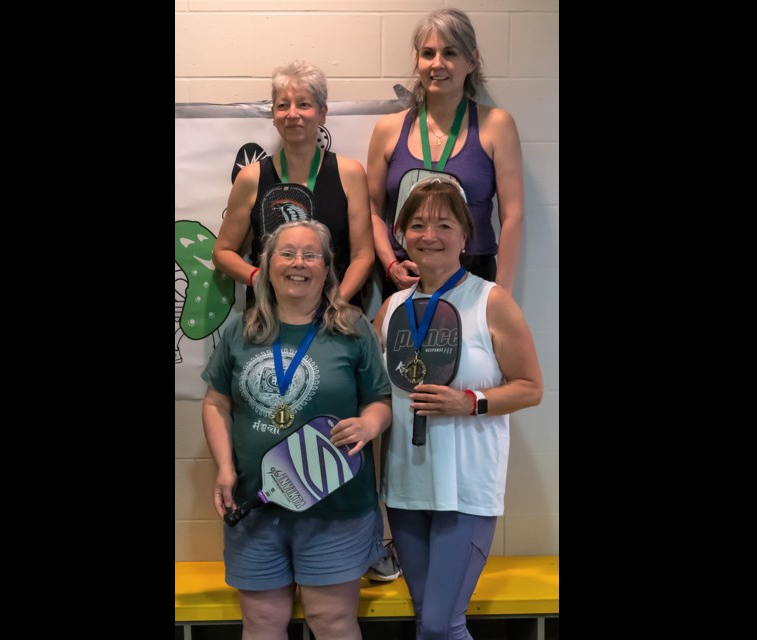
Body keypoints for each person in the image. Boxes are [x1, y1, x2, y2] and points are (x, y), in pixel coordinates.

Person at [202, 220, 392, 640]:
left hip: (335, 509)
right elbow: (216, 402)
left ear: (326, 268)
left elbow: (380, 400)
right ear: (267, 266)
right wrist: (224, 468)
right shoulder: (242, 328)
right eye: (287, 253)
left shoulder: (353, 327)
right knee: (263, 623)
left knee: (331, 621)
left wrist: (370, 423)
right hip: (255, 506)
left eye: (311, 255)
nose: (298, 263)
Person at [372, 177, 543, 640]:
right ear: (401, 233)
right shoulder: (391, 309)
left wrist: (469, 402)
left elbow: (531, 387)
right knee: (428, 619)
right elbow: (377, 394)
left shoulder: (491, 301)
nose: (431, 236)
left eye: (444, 224)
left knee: (439, 624)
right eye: (419, 224)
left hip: (465, 489)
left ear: (466, 235)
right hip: (406, 491)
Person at [367, 7, 525, 299]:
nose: (437, 64)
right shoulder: (388, 129)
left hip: (473, 274)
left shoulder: (497, 125)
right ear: (417, 60)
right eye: (428, 53)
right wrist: (390, 265)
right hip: (406, 275)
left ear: (472, 60)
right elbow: (374, 212)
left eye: (450, 53)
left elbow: (512, 215)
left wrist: (502, 291)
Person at [214, 60, 375, 310]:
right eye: (282, 105)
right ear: (273, 115)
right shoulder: (251, 178)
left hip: (333, 317)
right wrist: (261, 279)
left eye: (303, 104)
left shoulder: (350, 174)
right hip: (269, 317)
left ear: (322, 112)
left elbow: (363, 256)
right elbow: (222, 252)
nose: (292, 114)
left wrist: (335, 304)